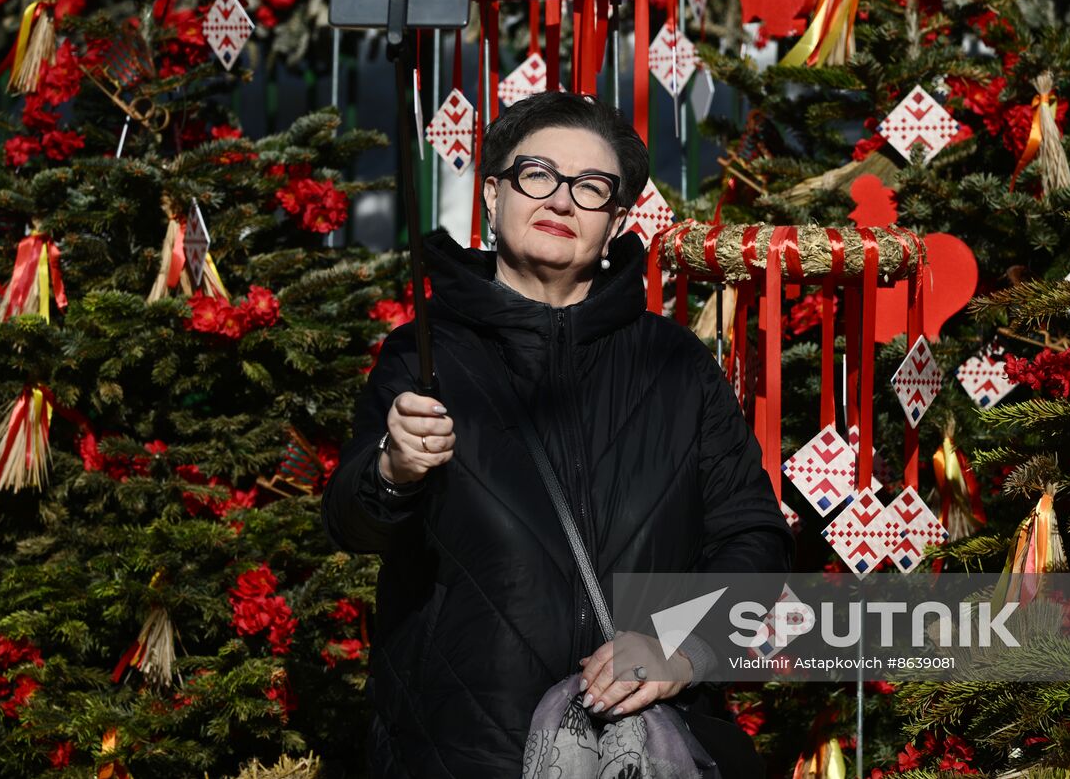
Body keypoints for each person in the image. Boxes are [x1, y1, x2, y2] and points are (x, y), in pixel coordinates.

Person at [322, 90, 794, 778]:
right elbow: (351, 522)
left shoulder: (674, 364)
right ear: (491, 194)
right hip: (460, 753)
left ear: (616, 222)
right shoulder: (424, 354)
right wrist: (393, 470)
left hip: (635, 749)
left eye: (591, 188)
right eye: (537, 174)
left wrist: (679, 642)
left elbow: (754, 539)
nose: (562, 200)